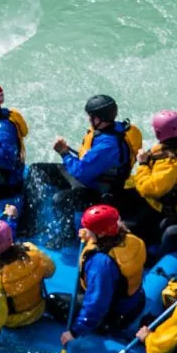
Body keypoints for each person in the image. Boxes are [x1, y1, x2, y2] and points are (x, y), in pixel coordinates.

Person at [27, 95, 139, 247]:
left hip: (99, 189)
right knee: (36, 169)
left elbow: (80, 172)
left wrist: (64, 152)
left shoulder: (108, 145)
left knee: (60, 199)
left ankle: (66, 236)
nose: (89, 120)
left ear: (100, 118)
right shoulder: (118, 129)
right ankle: (30, 222)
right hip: (90, 174)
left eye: (91, 116)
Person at [58, 205, 147, 346]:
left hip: (112, 312)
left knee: (53, 301)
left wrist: (75, 332)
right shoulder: (131, 238)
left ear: (100, 234)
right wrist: (89, 234)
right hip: (135, 300)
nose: (85, 230)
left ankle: (105, 327)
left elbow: (97, 303)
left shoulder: (101, 263)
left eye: (89, 230)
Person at [127, 110, 177, 245]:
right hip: (157, 202)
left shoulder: (171, 164)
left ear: (158, 132)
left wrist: (143, 163)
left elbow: (148, 189)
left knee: (125, 227)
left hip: (158, 210)